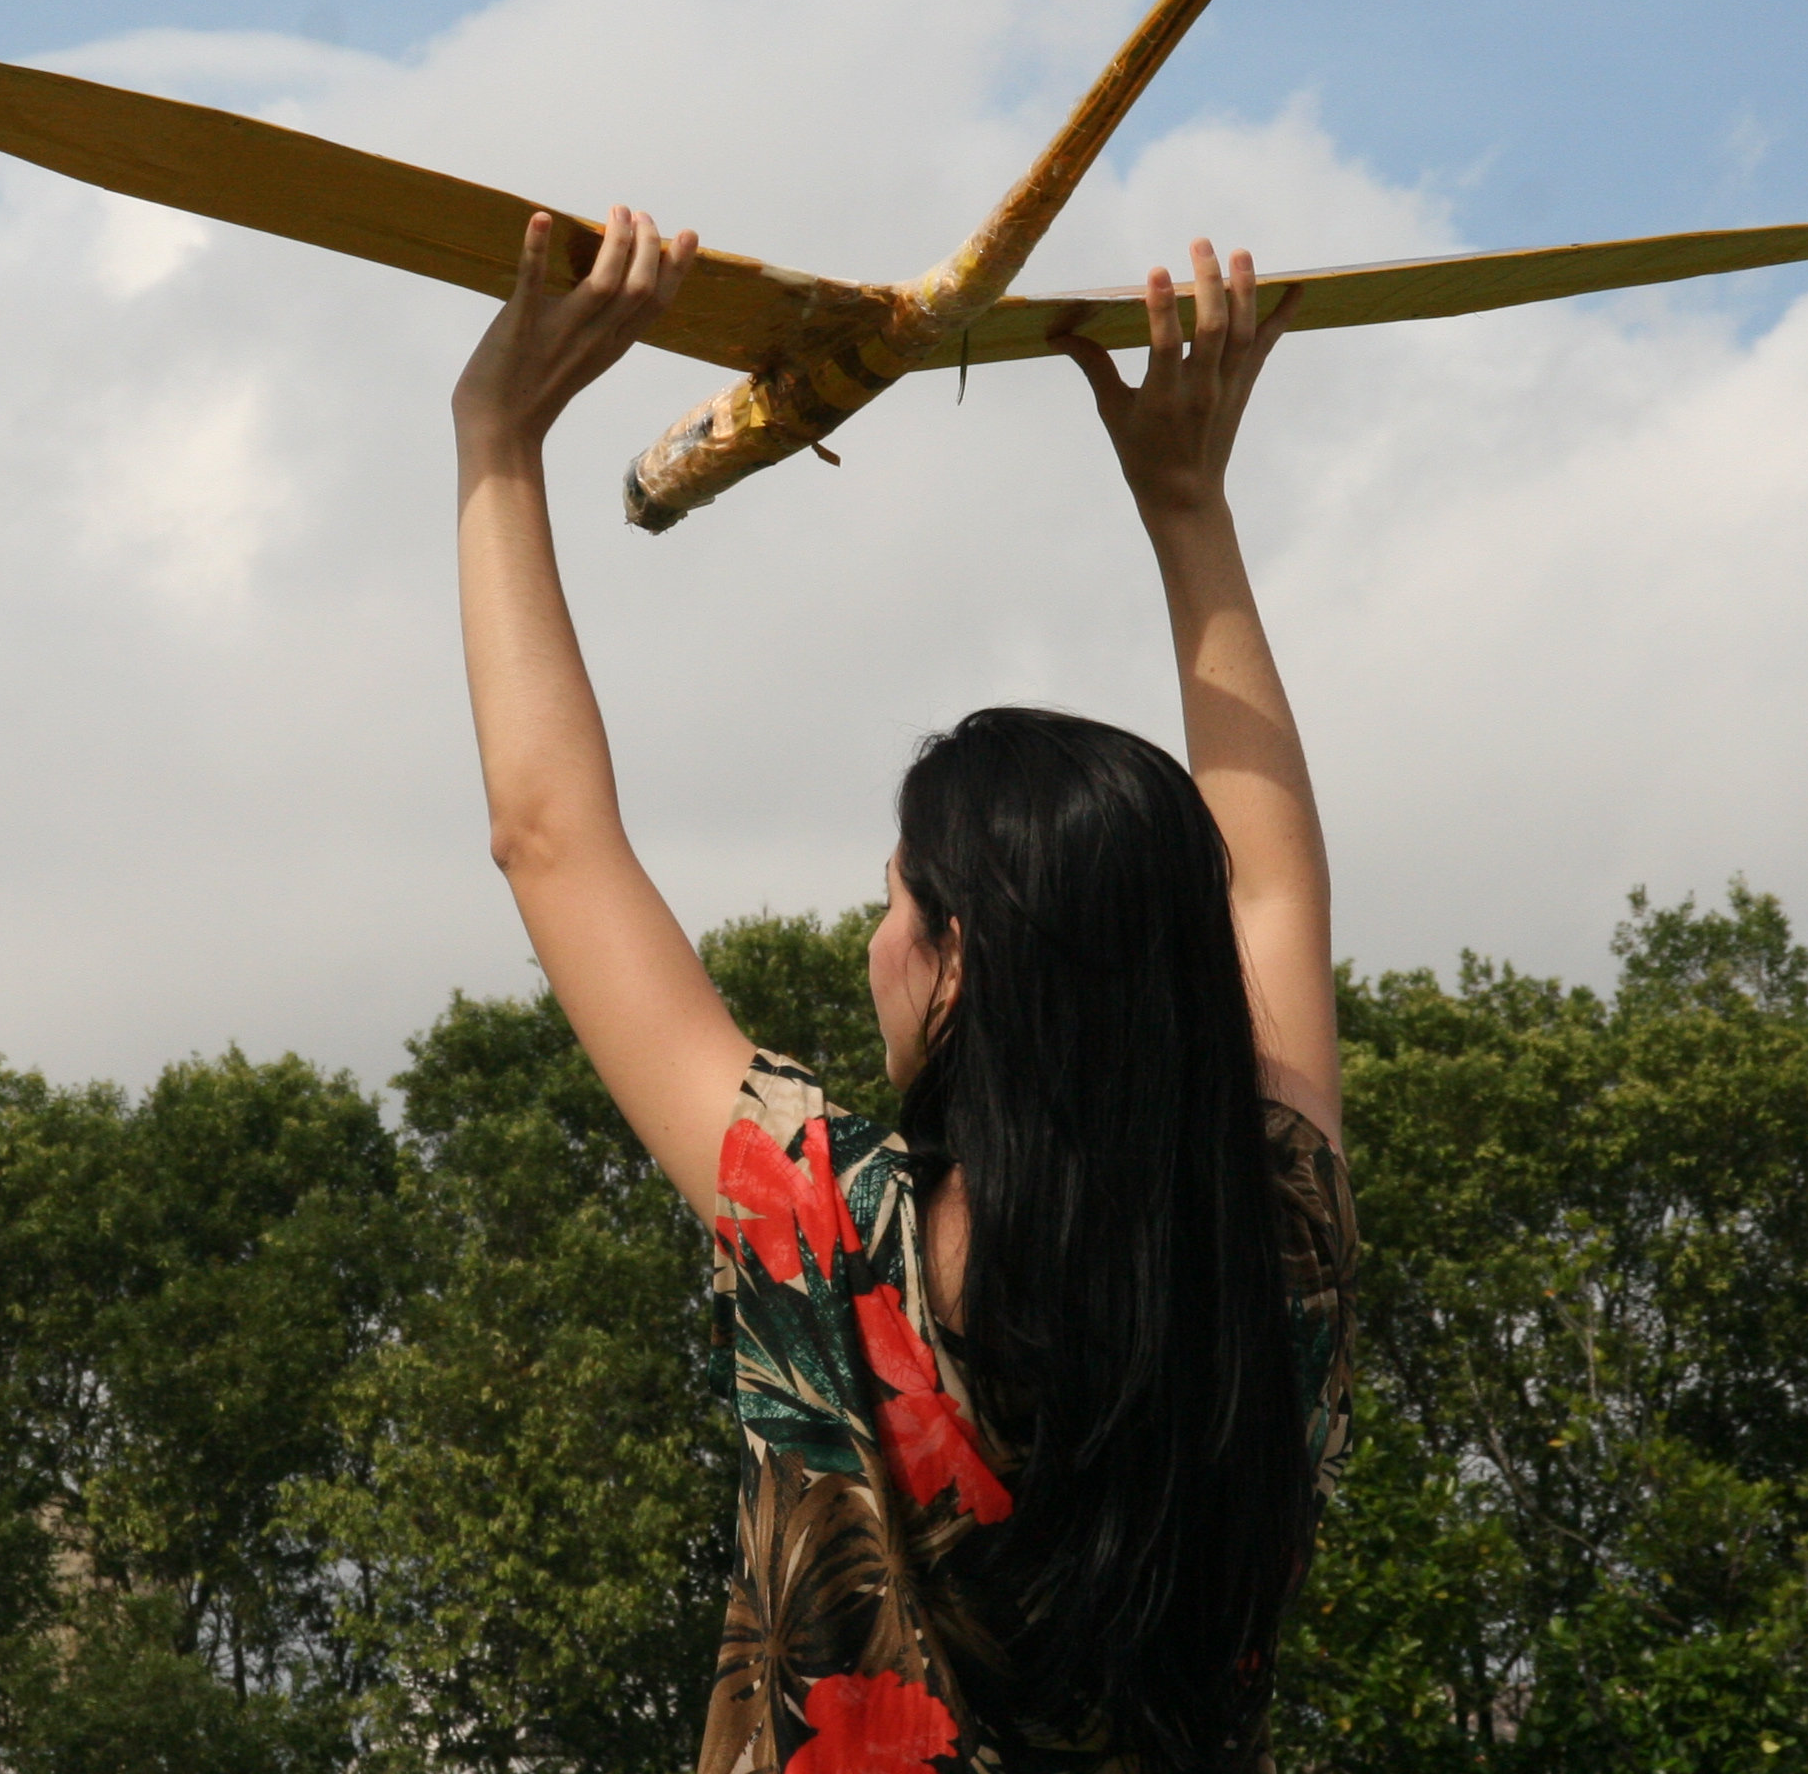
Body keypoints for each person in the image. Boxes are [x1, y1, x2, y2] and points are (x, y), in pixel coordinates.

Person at [451, 206, 1355, 1773]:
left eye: (896, 901)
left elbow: (550, 840)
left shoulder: (831, 1232)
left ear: (959, 965)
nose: (872, 939)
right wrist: (1189, 506)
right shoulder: (1267, 1239)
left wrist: (497, 439)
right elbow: (1267, 890)